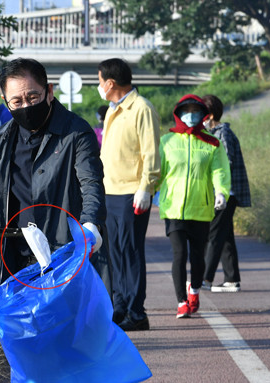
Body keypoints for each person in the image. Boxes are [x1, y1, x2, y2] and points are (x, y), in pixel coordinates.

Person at [0, 58, 107, 331]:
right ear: (6, 102)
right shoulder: (1, 139)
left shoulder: (75, 133)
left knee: (62, 336)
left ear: (49, 92)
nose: (26, 106)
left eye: (33, 97)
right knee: (16, 340)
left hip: (60, 254)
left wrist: (91, 225)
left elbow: (91, 184)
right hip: (10, 255)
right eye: (16, 102)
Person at [98, 58, 161, 331]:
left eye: (100, 81)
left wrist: (145, 188)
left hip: (131, 193)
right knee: (114, 254)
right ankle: (120, 307)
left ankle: (137, 313)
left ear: (110, 83)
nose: (98, 86)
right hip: (110, 191)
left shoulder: (141, 108)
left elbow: (151, 153)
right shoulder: (113, 110)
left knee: (130, 252)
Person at [158, 94, 231, 318]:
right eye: (186, 111)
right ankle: (181, 301)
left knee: (198, 257)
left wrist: (221, 192)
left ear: (202, 115)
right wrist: (143, 191)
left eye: (196, 111)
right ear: (178, 114)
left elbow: (219, 171)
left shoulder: (211, 143)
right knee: (179, 255)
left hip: (200, 209)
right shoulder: (166, 141)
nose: (191, 115)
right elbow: (157, 172)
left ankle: (195, 290)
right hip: (173, 208)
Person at [202, 95, 251, 293]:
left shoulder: (223, 133)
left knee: (213, 234)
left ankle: (205, 279)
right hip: (224, 192)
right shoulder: (216, 133)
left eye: (202, 114)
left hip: (225, 193)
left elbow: (226, 163)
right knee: (225, 235)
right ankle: (232, 279)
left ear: (211, 115)